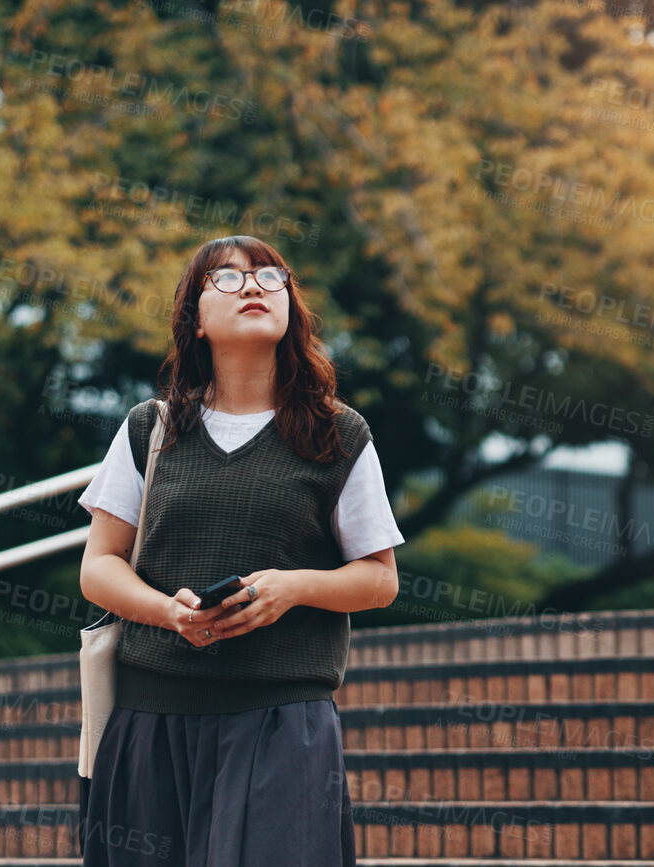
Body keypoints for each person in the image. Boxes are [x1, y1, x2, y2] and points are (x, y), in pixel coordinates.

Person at [73, 236, 402, 866]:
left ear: (289, 309)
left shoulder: (337, 433)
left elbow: (379, 579)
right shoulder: (152, 429)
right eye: (225, 279)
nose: (253, 286)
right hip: (152, 720)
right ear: (195, 322)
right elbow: (99, 566)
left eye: (269, 277)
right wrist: (170, 612)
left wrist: (294, 587)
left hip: (282, 724)